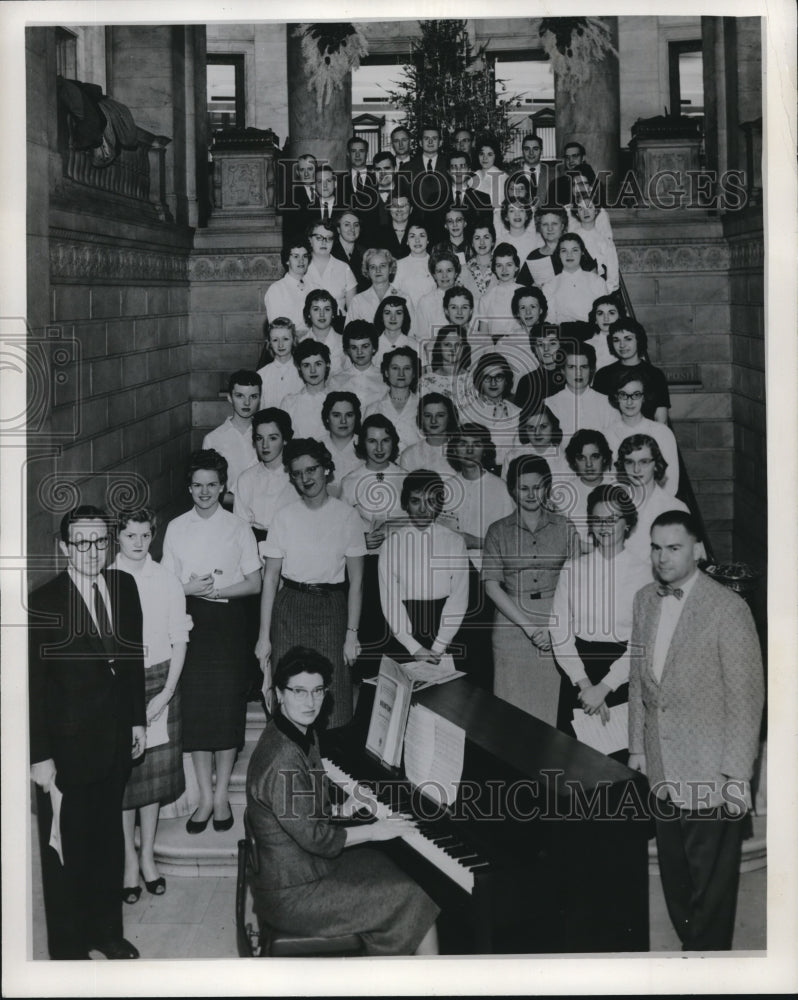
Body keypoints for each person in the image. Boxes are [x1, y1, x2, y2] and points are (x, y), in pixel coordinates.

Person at [245, 646, 439, 955]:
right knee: (415, 895)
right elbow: (316, 837)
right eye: (299, 691)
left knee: (408, 878)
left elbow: (299, 808)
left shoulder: (296, 731)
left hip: (302, 867)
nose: (311, 702)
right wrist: (374, 830)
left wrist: (340, 808)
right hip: (293, 892)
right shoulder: (281, 758)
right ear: (279, 694)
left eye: (318, 691)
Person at [628, 511, 764, 951]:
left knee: (712, 888)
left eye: (674, 548)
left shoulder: (728, 608)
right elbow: (637, 679)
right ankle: (693, 953)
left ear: (698, 551)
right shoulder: (646, 599)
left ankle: (708, 968)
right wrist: (638, 747)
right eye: (656, 547)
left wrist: (736, 779)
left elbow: (747, 699)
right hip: (662, 766)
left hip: (713, 771)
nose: (662, 558)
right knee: (676, 877)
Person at [29, 505, 146, 960]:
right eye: (82, 543)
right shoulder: (44, 601)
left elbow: (133, 660)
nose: (93, 551)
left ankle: (106, 931)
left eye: (100, 541)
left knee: (108, 841)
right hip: (66, 750)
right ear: (64, 548)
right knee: (67, 851)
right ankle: (70, 949)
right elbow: (33, 687)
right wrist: (39, 756)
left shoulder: (124, 585)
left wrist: (137, 720)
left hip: (115, 742)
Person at [161, 450, 262, 834]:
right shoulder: (176, 527)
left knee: (225, 712)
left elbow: (254, 584)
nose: (204, 492)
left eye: (212, 485)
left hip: (228, 625)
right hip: (189, 624)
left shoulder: (238, 527)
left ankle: (222, 799)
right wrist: (189, 588)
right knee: (199, 714)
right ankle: (204, 796)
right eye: (197, 485)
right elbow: (167, 584)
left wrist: (219, 592)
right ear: (189, 488)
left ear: (223, 487)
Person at [111, 508, 191, 902]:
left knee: (153, 779)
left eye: (145, 535)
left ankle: (148, 859)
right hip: (120, 684)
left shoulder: (166, 580)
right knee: (126, 780)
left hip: (161, 680)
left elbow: (180, 640)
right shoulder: (106, 580)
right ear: (117, 539)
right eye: (131, 536)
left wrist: (167, 692)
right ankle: (129, 861)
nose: (139, 544)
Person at [257, 438, 366, 727]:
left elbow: (356, 583)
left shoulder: (348, 516)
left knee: (331, 691)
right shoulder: (283, 517)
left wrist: (352, 634)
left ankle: (330, 765)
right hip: (289, 607)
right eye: (297, 473)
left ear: (327, 470)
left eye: (312, 470)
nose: (306, 479)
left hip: (331, 609)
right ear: (291, 478)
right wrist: (263, 637)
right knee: (290, 688)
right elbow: (270, 579)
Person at [550, 484, 652, 760]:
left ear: (627, 524)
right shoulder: (573, 569)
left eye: (613, 519)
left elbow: (643, 641)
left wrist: (606, 687)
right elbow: (559, 630)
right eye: (598, 520)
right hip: (578, 673)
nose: (605, 527)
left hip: (624, 674)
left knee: (620, 766)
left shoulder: (645, 574)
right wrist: (585, 685)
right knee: (573, 765)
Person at [482, 456, 580, 725]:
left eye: (537, 487)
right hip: (511, 624)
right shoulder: (497, 531)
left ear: (546, 487)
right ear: (512, 489)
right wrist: (529, 628)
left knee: (550, 709)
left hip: (555, 620)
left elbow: (578, 583)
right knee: (510, 714)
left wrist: (554, 627)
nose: (530, 494)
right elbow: (491, 585)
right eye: (523, 488)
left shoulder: (565, 527)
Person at [378, 469, 469, 664]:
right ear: (405, 504)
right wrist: (414, 647)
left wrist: (439, 646)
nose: (422, 509)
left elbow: (459, 598)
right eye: (415, 501)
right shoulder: (391, 544)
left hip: (445, 628)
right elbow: (390, 601)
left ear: (440, 503)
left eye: (430, 501)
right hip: (403, 632)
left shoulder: (454, 542)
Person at [339, 414, 406, 673]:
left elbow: (421, 523)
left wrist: (394, 529)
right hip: (366, 568)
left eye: (385, 441)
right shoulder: (350, 481)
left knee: (398, 636)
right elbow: (341, 532)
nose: (379, 448)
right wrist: (360, 539)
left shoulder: (405, 478)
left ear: (394, 443)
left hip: (401, 569)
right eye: (372, 441)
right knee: (369, 636)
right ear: (362, 443)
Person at [614, 434, 688, 568]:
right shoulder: (613, 503)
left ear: (656, 464)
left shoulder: (675, 508)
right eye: (629, 462)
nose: (636, 469)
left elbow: (685, 562)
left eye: (644, 462)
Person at [605, 370, 680, 495]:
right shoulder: (606, 435)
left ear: (644, 397)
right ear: (616, 397)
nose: (629, 402)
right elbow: (606, 480)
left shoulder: (662, 433)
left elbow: (671, 483)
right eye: (623, 395)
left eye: (636, 395)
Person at [591, 317, 671, 423]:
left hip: (648, 436)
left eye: (628, 339)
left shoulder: (655, 375)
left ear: (638, 340)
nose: (622, 345)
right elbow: (597, 416)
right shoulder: (603, 375)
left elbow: (661, 420)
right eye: (616, 340)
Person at [233, 407, 296, 539]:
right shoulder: (246, 478)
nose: (265, 445)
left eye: (272, 438)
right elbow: (240, 528)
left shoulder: (297, 477)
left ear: (285, 439)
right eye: (259, 438)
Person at [201, 369, 260, 506]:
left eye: (253, 396)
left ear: (260, 398)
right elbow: (209, 489)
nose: (247, 403)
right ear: (229, 397)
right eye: (240, 396)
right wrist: (241, 503)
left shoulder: (266, 436)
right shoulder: (213, 439)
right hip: (229, 511)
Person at [458, 351, 521, 468]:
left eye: (499, 377)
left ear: (506, 380)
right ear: (479, 380)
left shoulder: (518, 413)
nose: (493, 383)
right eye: (487, 377)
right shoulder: (466, 413)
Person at [545, 340, 615, 446]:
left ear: (592, 369)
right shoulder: (549, 404)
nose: (578, 373)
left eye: (584, 367)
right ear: (562, 370)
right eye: (571, 367)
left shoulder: (608, 403)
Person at [559, 428, 614, 546]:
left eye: (595, 456)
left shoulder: (616, 489)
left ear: (604, 458)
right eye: (581, 458)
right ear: (574, 461)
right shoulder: (565, 494)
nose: (588, 464)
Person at [364, 345, 423, 453]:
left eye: (407, 368)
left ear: (414, 373)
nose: (401, 374)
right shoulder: (373, 409)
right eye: (395, 368)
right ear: (386, 372)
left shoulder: (425, 408)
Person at [543, 234, 607, 325]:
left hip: (592, 333)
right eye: (564, 251)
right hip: (563, 336)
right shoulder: (550, 286)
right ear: (559, 254)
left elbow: (604, 314)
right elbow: (550, 319)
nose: (569, 255)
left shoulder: (597, 281)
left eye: (575, 250)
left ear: (582, 252)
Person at [414, 250, 463, 361]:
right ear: (434, 275)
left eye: (449, 270)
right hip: (436, 360)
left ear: (456, 273)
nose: (444, 276)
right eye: (439, 271)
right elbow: (422, 340)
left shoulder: (466, 299)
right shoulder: (425, 302)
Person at [347, 248, 414, 327]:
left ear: (390, 269)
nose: (378, 270)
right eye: (372, 267)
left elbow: (413, 332)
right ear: (367, 271)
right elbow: (349, 333)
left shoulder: (404, 298)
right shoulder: (357, 301)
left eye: (382, 266)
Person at [281, 339, 333, 439]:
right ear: (299, 368)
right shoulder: (289, 403)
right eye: (306, 365)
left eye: (318, 364)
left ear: (327, 365)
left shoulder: (337, 402)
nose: (312, 370)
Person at [328, 319, 385, 408]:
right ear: (347, 350)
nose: (359, 352)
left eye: (365, 346)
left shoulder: (384, 379)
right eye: (354, 347)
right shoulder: (337, 381)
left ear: (374, 348)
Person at [305, 221, 357, 318]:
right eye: (319, 238)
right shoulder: (301, 267)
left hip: (338, 327)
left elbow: (353, 312)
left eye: (329, 238)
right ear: (310, 240)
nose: (324, 242)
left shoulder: (344, 268)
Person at [502, 404, 568, 481]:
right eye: (531, 428)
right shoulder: (512, 457)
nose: (537, 433)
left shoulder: (565, 459)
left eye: (543, 426)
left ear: (553, 427)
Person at [400, 391, 459, 475]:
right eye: (428, 415)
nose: (433, 421)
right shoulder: (409, 454)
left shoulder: (460, 451)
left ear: (450, 417)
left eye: (440, 415)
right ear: (421, 418)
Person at [513, 319, 566, 413]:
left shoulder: (569, 377)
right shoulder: (527, 382)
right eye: (540, 344)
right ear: (534, 350)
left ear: (560, 346)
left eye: (552, 343)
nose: (546, 349)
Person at [568, 194, 618, 291]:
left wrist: (604, 291)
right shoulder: (571, 238)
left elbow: (613, 275)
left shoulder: (605, 241)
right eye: (581, 209)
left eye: (590, 207)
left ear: (596, 210)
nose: (586, 212)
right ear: (577, 213)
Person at [475, 243, 524, 340]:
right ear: (494, 269)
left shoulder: (526, 293)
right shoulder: (486, 299)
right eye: (499, 265)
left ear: (516, 267)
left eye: (509, 265)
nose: (504, 270)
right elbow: (483, 337)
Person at [265, 238, 314, 333]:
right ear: (287, 260)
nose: (301, 261)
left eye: (305, 256)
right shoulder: (276, 289)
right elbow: (277, 329)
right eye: (296, 256)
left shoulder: (314, 287)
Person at [320, 390, 364, 496]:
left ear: (356, 417)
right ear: (327, 418)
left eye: (349, 415)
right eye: (336, 415)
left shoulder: (366, 446)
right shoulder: (316, 447)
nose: (343, 421)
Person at [256, 318, 303, 408]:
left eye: (285, 339)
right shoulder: (262, 375)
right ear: (269, 343)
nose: (280, 345)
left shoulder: (302, 372)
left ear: (293, 340)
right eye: (275, 340)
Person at [517, 206, 569, 288]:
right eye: (545, 224)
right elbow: (520, 287)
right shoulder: (534, 256)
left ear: (562, 226)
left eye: (554, 224)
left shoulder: (573, 250)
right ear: (539, 228)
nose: (550, 228)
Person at [418, 323, 472, 401]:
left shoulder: (472, 380)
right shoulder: (426, 381)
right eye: (447, 345)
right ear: (439, 347)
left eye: (457, 345)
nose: (453, 349)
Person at [302, 288, 346, 375]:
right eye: (316, 309)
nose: (322, 314)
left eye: (327, 309)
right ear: (308, 313)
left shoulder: (344, 343)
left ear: (333, 313)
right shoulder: (301, 343)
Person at [394, 220, 437, 307]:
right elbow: (394, 295)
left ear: (428, 240)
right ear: (407, 241)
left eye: (422, 236)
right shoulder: (398, 265)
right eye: (412, 236)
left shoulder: (437, 263)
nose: (417, 240)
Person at [507, 133, 551, 208]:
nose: (531, 153)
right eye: (527, 149)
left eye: (535, 149)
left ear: (541, 151)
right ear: (522, 151)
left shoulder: (552, 174)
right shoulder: (512, 174)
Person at [331, 210, 369, 293]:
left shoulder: (366, 253)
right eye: (347, 225)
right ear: (338, 229)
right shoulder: (330, 251)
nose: (352, 229)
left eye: (356, 225)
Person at [584, 294, 624, 371]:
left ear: (620, 316)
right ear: (595, 319)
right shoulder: (586, 345)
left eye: (611, 313)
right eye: (600, 313)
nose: (606, 318)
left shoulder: (629, 343)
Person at [372, 294, 414, 364]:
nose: (393, 318)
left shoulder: (414, 345)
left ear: (404, 317)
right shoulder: (372, 346)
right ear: (381, 317)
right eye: (387, 313)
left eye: (398, 313)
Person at [460, 220, 498, 300]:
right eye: (477, 238)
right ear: (472, 243)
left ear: (493, 241)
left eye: (486, 237)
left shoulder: (500, 266)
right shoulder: (463, 270)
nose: (482, 242)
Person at [472, 133, 508, 208]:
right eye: (481, 154)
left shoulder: (503, 178)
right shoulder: (472, 177)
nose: (485, 158)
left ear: (496, 156)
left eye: (489, 154)